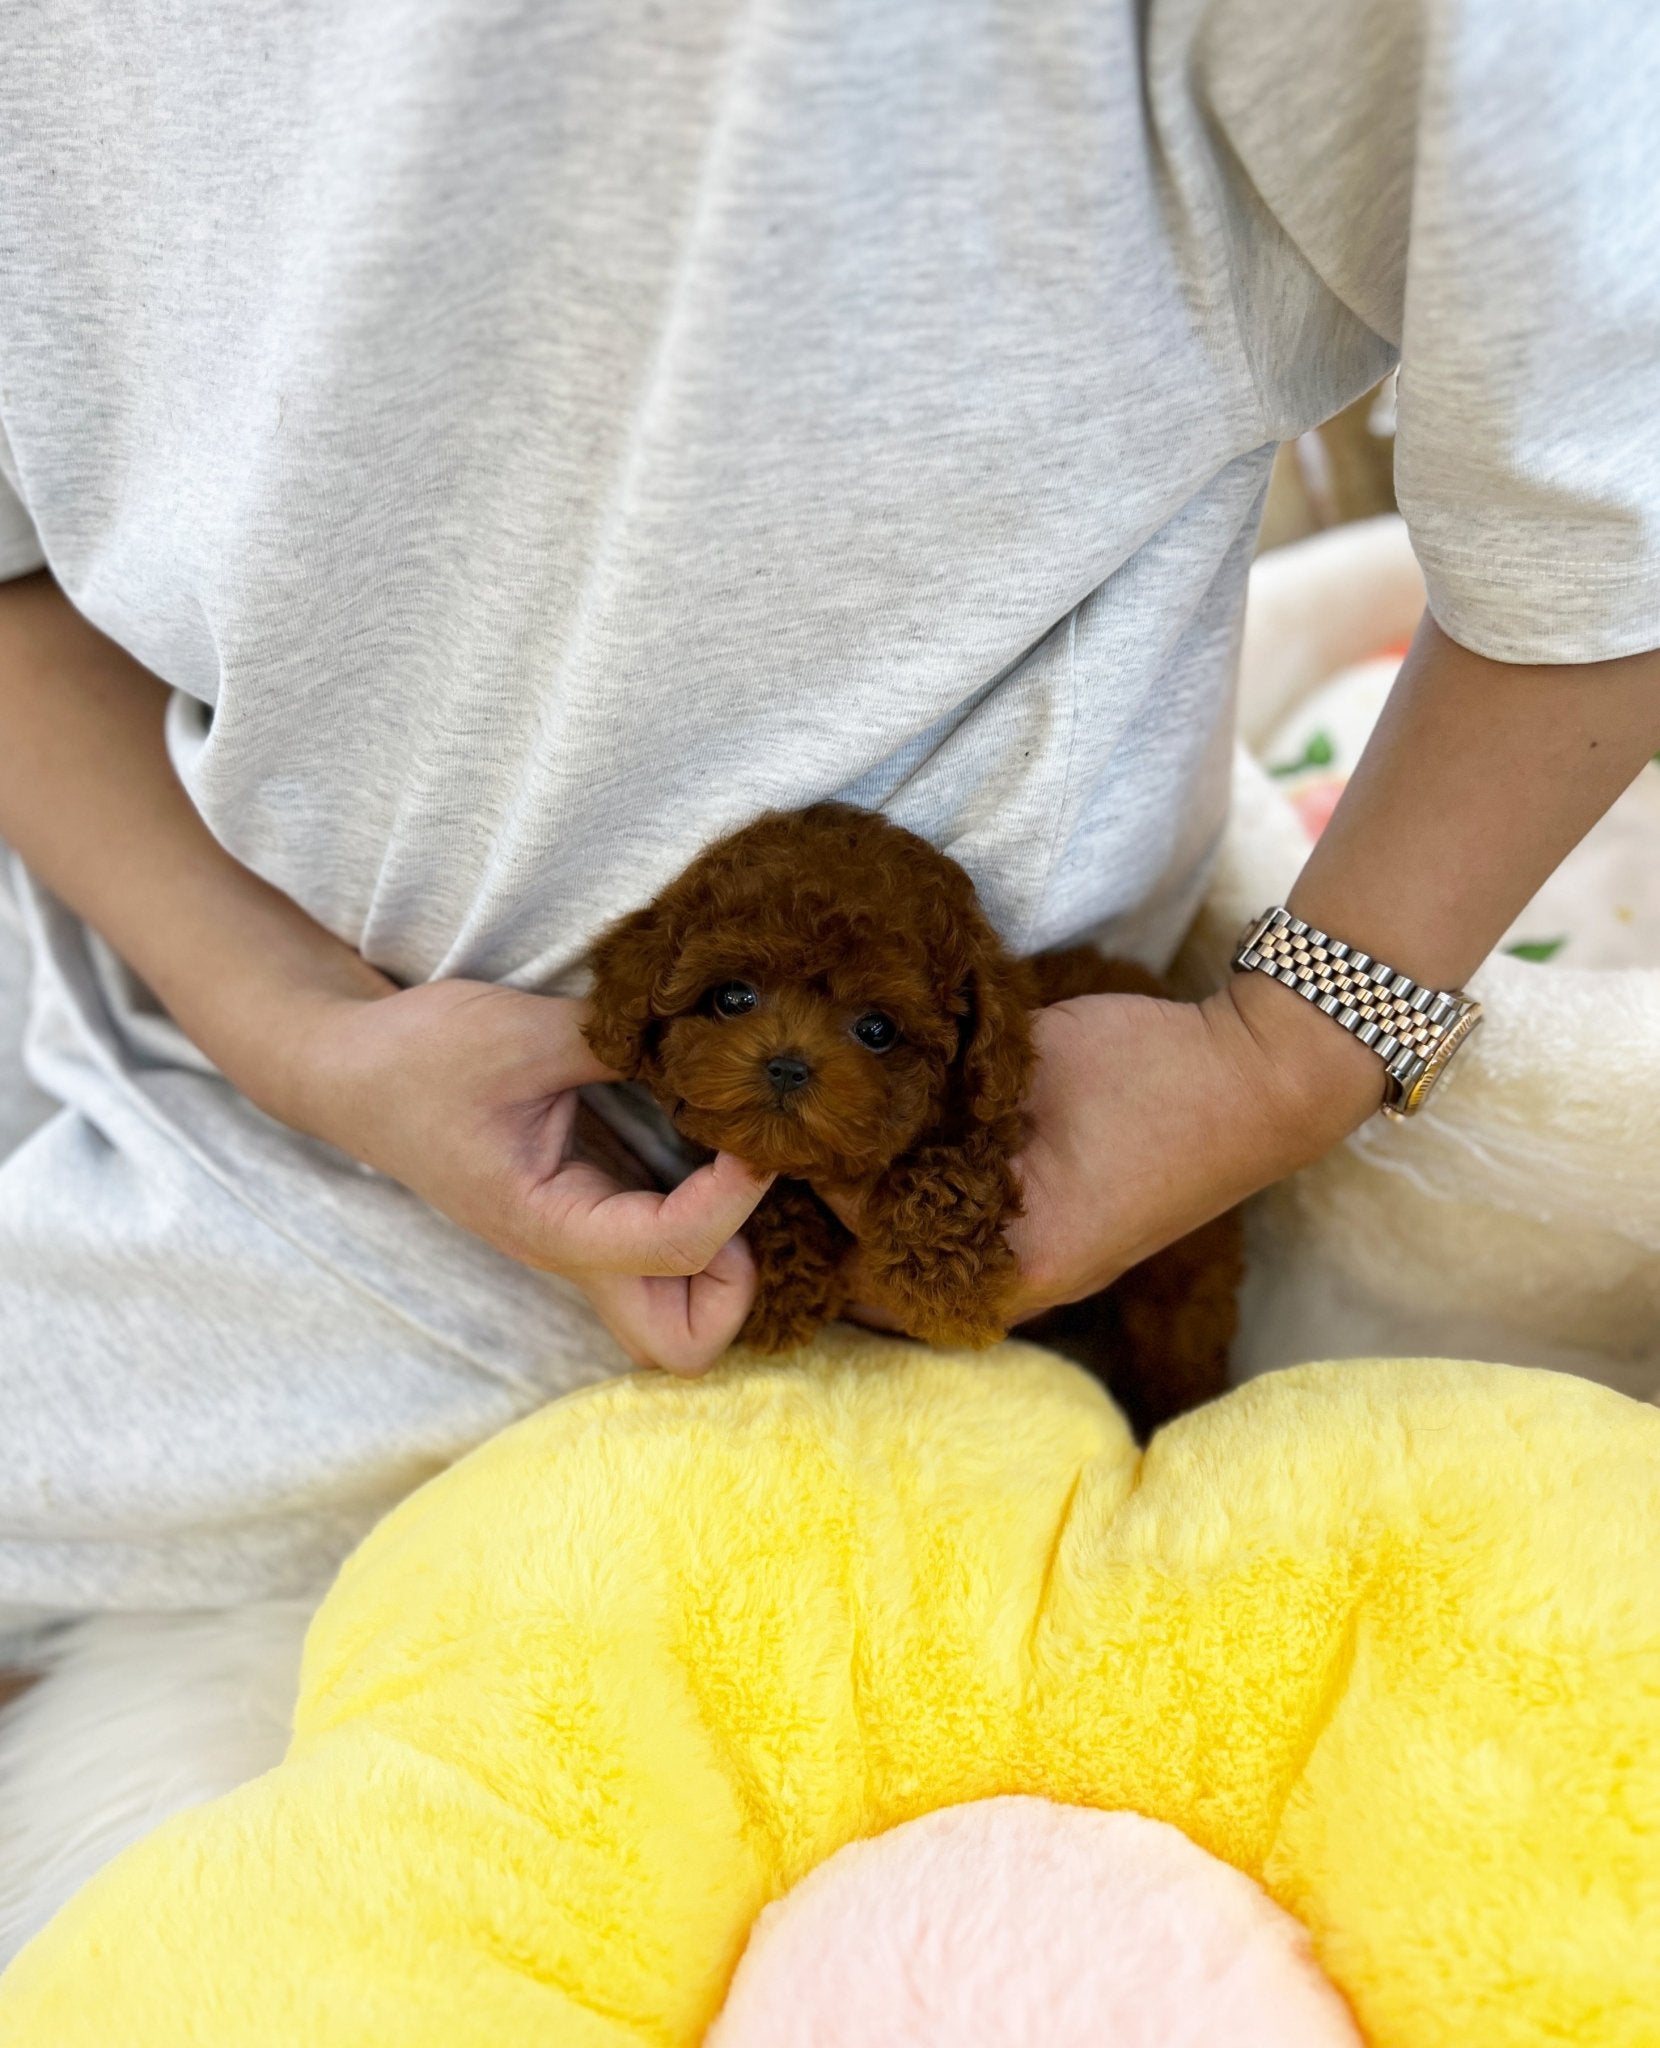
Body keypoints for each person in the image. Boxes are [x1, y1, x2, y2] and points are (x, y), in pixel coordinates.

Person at [1, 0, 1657, 1635]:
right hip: (167, 989)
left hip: (909, 1249)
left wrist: (1285, 1053)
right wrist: (290, 1030)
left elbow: (1612, 482)